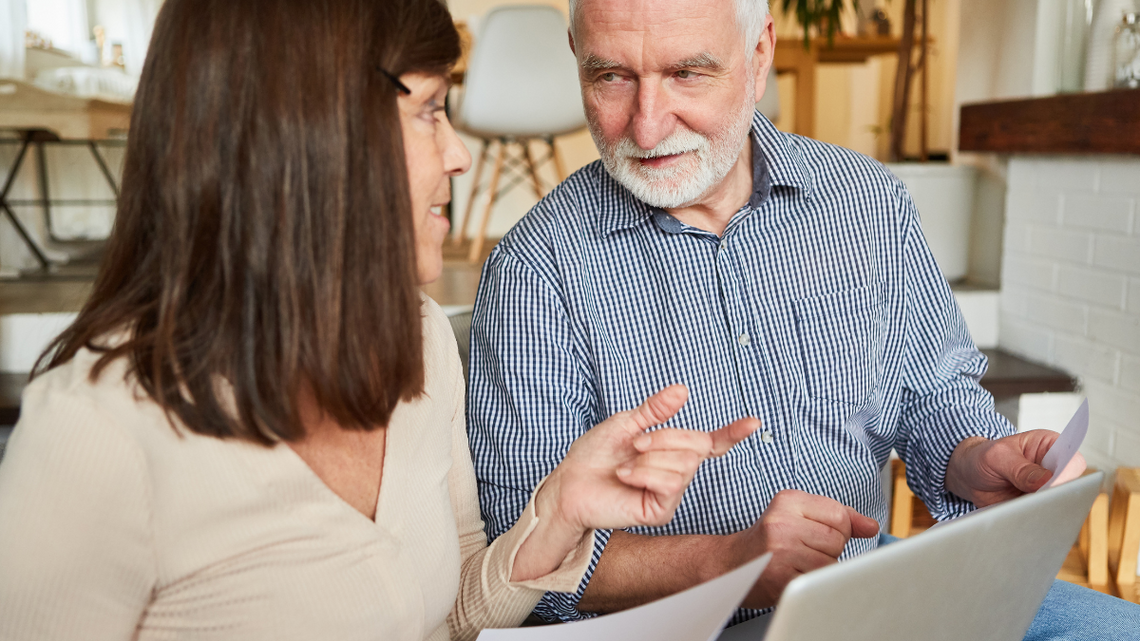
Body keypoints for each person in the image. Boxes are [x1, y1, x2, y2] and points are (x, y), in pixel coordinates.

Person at [0, 1, 758, 639]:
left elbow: (448, 614)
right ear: (313, 132)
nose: (459, 154)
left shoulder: (416, 340)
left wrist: (558, 510)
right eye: (430, 110)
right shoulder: (97, 432)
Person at [466, 0, 1140, 636]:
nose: (647, 124)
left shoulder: (867, 203)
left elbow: (932, 396)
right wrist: (730, 561)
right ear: (577, 57)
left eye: (688, 73)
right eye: (611, 77)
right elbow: (525, 562)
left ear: (759, 56)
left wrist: (978, 456)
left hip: (874, 581)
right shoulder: (535, 271)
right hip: (690, 625)